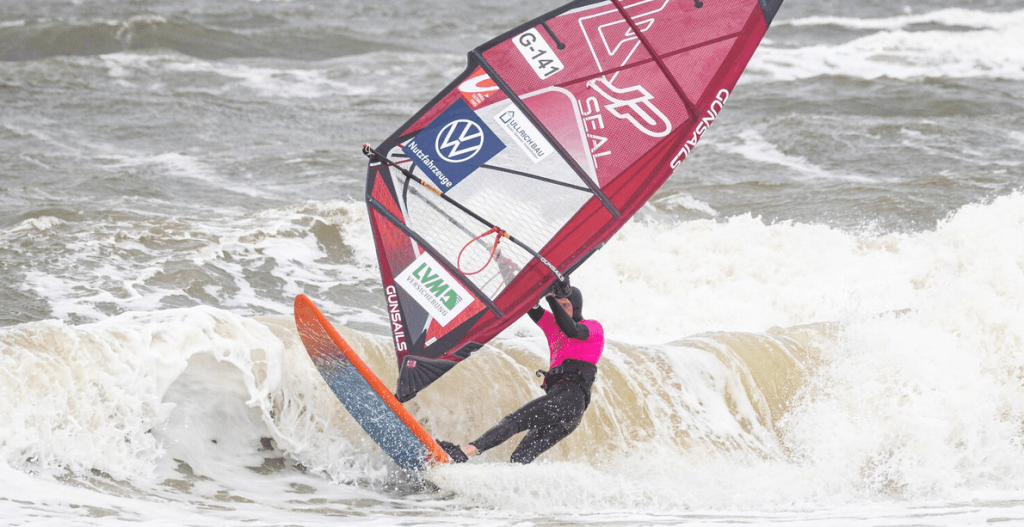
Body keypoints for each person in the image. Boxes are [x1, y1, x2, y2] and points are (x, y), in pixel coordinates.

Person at [438, 285, 603, 464]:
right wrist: (505, 265)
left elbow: (572, 330)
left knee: (514, 420)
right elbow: (528, 300)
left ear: (576, 308)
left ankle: (464, 452)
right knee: (520, 458)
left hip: (570, 398)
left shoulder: (593, 328)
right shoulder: (551, 324)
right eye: (558, 305)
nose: (560, 310)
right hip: (563, 403)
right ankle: (509, 489)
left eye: (565, 306)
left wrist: (550, 297)